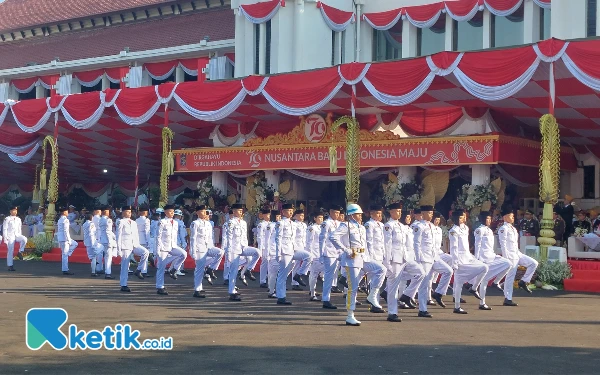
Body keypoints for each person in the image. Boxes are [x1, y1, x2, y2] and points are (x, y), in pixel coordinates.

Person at [330, 203, 372, 326]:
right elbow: (333, 237)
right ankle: (350, 315)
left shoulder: (362, 227)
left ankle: (372, 296)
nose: (360, 216)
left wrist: (368, 257)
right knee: (352, 288)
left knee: (381, 270)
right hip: (352, 259)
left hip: (363, 257)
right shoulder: (345, 225)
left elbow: (364, 244)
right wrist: (345, 249)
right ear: (352, 215)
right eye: (358, 214)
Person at [383, 203, 426, 322]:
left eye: (400, 211)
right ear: (391, 212)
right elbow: (387, 244)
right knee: (393, 287)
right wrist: (387, 262)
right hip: (395, 259)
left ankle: (407, 295)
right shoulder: (388, 226)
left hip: (406, 258)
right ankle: (392, 313)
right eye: (397, 211)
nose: (399, 213)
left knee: (420, 273)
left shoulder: (402, 226)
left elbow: (408, 245)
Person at [413, 205, 453, 318]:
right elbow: (416, 244)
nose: (431, 215)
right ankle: (422, 309)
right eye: (429, 213)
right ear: (423, 214)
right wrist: (418, 258)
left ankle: (438, 293)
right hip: (424, 258)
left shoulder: (432, 227)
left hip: (434, 257)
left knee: (448, 271)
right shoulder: (419, 226)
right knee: (424, 284)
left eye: (431, 213)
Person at [448, 210, 489, 314]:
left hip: (468, 256)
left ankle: (474, 287)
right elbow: (454, 248)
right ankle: (457, 306)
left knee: (484, 267)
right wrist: (455, 262)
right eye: (462, 217)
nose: (464, 219)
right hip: (460, 258)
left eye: (465, 217)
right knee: (458, 283)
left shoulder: (465, 228)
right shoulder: (453, 231)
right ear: (456, 218)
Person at [498, 207, 539, 306]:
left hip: (517, 253)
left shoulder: (513, 228)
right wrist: (506, 257)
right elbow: (502, 244)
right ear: (505, 217)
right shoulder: (503, 229)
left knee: (533, 263)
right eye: (511, 216)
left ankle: (524, 281)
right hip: (510, 256)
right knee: (510, 277)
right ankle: (508, 298)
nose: (513, 217)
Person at [471, 211, 512, 310]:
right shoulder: (479, 230)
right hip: (484, 258)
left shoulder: (489, 230)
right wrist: (477, 259)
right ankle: (482, 303)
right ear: (483, 219)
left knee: (508, 263)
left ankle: (496, 282)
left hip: (492, 256)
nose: (490, 220)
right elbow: (478, 245)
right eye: (488, 218)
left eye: (490, 218)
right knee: (484, 281)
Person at [275, 204, 311, 305]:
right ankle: (281, 297)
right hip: (285, 251)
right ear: (283, 212)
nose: (291, 212)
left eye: (292, 211)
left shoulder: (293, 224)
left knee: (309, 256)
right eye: (288, 211)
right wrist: (278, 253)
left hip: (293, 249)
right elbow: (278, 239)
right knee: (283, 275)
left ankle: (299, 274)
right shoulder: (280, 223)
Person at [224, 203, 261, 301]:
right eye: (239, 211)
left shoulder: (243, 222)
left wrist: (247, 245)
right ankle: (232, 292)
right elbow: (229, 238)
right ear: (234, 211)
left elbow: (245, 236)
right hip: (234, 249)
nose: (241, 212)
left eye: (241, 211)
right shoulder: (230, 222)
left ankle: (248, 270)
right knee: (233, 272)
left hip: (243, 247)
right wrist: (229, 252)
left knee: (257, 252)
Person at [189, 205, 225, 298]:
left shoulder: (208, 223)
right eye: (202, 211)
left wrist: (212, 246)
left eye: (205, 211)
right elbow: (193, 238)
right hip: (200, 248)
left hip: (209, 247)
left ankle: (210, 269)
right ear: (197, 213)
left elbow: (210, 237)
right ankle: (197, 289)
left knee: (220, 252)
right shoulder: (195, 223)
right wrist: (192, 251)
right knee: (199, 270)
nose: (204, 213)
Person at [116, 206, 151, 292]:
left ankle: (138, 269)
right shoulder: (121, 222)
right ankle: (123, 285)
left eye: (130, 212)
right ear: (123, 212)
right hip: (125, 245)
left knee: (145, 252)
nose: (129, 213)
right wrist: (118, 249)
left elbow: (136, 234)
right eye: (127, 212)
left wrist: (137, 244)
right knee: (125, 266)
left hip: (134, 244)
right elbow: (118, 236)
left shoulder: (133, 222)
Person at [155, 205, 188, 295]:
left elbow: (175, 235)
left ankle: (174, 269)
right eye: (170, 212)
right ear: (165, 212)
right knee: (161, 267)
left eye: (173, 212)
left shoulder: (176, 222)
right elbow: (158, 236)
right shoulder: (162, 222)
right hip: (163, 247)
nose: (172, 213)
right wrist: (158, 249)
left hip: (173, 246)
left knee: (183, 254)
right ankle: (160, 286)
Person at [319, 205, 343, 309]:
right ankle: (326, 299)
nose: (337, 215)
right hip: (329, 252)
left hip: (338, 252)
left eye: (338, 213)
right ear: (330, 212)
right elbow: (322, 239)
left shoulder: (339, 224)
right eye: (335, 213)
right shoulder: (326, 223)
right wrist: (321, 253)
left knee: (335, 275)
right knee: (328, 276)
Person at [430, 211, 454, 304]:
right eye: (435, 220)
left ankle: (441, 283)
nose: (437, 222)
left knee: (450, 258)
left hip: (438, 252)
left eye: (438, 220)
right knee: (430, 276)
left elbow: (439, 245)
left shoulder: (439, 230)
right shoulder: (429, 229)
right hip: (431, 254)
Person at [290, 209, 311, 291]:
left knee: (300, 263)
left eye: (303, 215)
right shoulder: (294, 224)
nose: (302, 217)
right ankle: (294, 283)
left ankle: (297, 279)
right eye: (300, 215)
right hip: (295, 246)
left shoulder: (304, 225)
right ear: (296, 216)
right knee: (294, 265)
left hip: (302, 246)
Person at [307, 211, 325, 301]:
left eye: (322, 218)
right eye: (319, 218)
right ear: (314, 218)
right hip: (315, 253)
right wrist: (310, 255)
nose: (321, 219)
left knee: (323, 274)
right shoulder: (312, 228)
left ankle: (315, 290)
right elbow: (309, 242)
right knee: (313, 274)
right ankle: (312, 293)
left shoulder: (323, 227)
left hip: (323, 253)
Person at [3, 206, 27, 271]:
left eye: (16, 210)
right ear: (10, 211)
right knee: (10, 250)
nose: (15, 211)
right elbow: (4, 229)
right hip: (10, 236)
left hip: (17, 235)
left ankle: (20, 251)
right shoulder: (7, 219)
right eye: (14, 210)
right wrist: (5, 238)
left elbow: (19, 229)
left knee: (24, 239)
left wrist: (20, 236)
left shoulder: (18, 219)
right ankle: (10, 265)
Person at [56, 207, 78, 275]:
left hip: (61, 238)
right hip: (65, 239)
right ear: (64, 212)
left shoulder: (60, 219)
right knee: (65, 255)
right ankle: (65, 269)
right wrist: (68, 240)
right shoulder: (65, 220)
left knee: (75, 244)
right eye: (67, 211)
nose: (68, 213)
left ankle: (68, 253)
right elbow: (66, 231)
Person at [99, 206, 117, 279]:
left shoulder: (100, 219)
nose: (108, 212)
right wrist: (110, 242)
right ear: (105, 212)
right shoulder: (108, 220)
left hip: (103, 239)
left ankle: (107, 272)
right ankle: (108, 273)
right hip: (107, 240)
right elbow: (108, 231)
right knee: (108, 257)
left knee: (106, 256)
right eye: (108, 211)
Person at [266, 210, 280, 297]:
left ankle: (272, 288)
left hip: (278, 250)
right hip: (272, 250)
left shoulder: (279, 225)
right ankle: (271, 291)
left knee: (273, 272)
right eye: (277, 216)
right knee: (273, 272)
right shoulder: (270, 226)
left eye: (280, 216)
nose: (279, 218)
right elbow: (267, 240)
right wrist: (267, 253)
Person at [256, 209, 271, 288]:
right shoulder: (261, 225)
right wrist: (260, 248)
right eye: (268, 215)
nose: (269, 216)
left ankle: (270, 279)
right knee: (264, 263)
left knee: (271, 263)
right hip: (264, 246)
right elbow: (260, 237)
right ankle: (262, 281)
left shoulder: (272, 224)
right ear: (264, 215)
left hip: (271, 246)